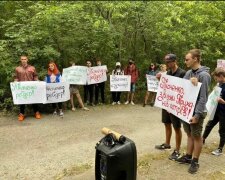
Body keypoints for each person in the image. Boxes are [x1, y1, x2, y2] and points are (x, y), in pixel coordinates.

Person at [176, 49, 211, 174]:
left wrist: (197, 115)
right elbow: (181, 89)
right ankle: (188, 156)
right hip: (186, 110)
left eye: (187, 59)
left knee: (196, 136)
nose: (185, 61)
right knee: (190, 134)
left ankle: (195, 161)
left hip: (197, 112)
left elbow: (203, 98)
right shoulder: (189, 73)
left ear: (195, 59)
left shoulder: (204, 75)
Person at [155, 54, 186, 161]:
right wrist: (160, 80)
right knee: (166, 123)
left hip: (175, 105)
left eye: (169, 62)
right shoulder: (167, 72)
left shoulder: (182, 73)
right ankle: (167, 144)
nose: (167, 64)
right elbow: (165, 87)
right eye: (166, 62)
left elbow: (184, 90)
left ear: (175, 61)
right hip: (167, 103)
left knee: (177, 127)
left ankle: (177, 150)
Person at [202, 67, 225, 156]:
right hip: (216, 110)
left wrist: (223, 101)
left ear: (222, 76)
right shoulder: (219, 84)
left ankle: (220, 149)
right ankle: (202, 139)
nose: (216, 80)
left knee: (222, 130)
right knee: (209, 125)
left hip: (224, 112)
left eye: (216, 78)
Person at [14, 54, 41, 121]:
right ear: (20, 60)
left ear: (27, 60)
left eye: (25, 59)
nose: (23, 60)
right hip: (22, 88)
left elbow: (35, 76)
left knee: (34, 100)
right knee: (22, 101)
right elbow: (16, 77)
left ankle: (37, 113)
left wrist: (37, 80)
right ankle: (21, 114)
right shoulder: (17, 69)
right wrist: (15, 81)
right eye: (22, 59)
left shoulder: (32, 68)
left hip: (31, 88)